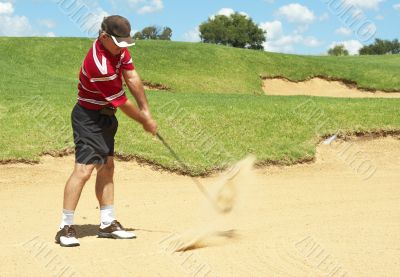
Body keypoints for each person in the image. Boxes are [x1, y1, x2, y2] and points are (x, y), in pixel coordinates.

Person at [55, 15, 157, 247]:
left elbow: (131, 76)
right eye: (119, 42)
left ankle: (107, 223)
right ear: (103, 37)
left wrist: (146, 110)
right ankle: (65, 227)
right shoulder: (99, 64)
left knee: (108, 167)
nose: (123, 47)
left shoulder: (118, 50)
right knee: (84, 169)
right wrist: (144, 121)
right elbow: (122, 101)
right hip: (88, 118)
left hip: (106, 117)